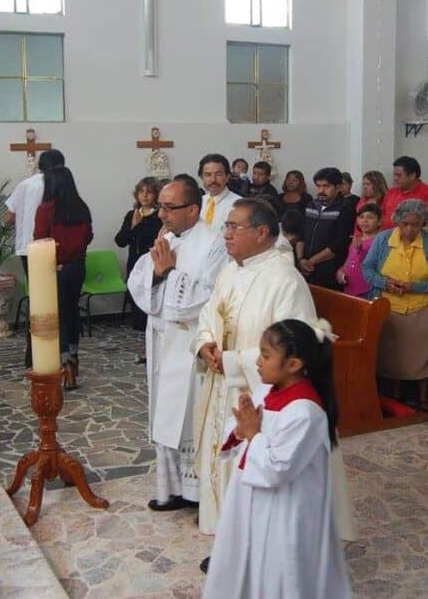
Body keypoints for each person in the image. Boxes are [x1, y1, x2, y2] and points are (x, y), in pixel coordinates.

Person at [193, 199, 326, 536]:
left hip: (256, 393)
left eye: (234, 226)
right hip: (221, 386)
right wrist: (205, 343)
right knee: (222, 465)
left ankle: (245, 544)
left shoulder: (285, 280)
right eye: (226, 226)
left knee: (248, 469)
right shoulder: (230, 269)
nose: (226, 235)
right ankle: (225, 536)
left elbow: (296, 346)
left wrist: (233, 362)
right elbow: (210, 313)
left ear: (263, 232)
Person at [203, 319, 351, 599]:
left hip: (286, 513)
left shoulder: (305, 413)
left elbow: (277, 469)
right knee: (249, 567)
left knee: (279, 576)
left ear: (294, 364)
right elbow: (244, 438)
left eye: (266, 355)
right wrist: (240, 430)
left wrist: (253, 434)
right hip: (252, 503)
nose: (257, 362)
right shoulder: (264, 392)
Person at [127, 178, 229, 512]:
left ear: (193, 210)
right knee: (164, 415)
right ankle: (171, 489)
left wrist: (168, 273)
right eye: (161, 206)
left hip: (190, 344)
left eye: (169, 207)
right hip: (161, 339)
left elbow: (208, 295)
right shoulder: (167, 238)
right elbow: (140, 282)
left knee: (188, 419)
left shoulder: (214, 244)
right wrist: (158, 275)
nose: (161, 213)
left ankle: (197, 494)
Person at [362, 199, 428, 411]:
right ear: (397, 221)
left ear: (423, 224)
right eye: (405, 224)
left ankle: (423, 396)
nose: (410, 229)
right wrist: (385, 283)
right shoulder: (384, 239)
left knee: (423, 355)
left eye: (416, 224)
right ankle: (395, 394)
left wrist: (415, 287)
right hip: (390, 307)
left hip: (424, 308)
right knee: (393, 355)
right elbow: (368, 269)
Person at [33, 166, 93, 390]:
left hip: (55, 268)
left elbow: (39, 239)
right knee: (72, 309)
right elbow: (88, 236)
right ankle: (75, 357)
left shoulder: (47, 209)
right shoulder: (81, 206)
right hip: (78, 266)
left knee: (57, 315)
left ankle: (65, 361)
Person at [5, 148, 66, 368]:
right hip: (55, 248)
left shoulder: (26, 184)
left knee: (38, 302)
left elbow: (9, 217)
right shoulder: (62, 184)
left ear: (40, 164)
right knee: (54, 302)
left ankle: (32, 355)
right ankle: (56, 353)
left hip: (28, 249)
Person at [114, 177, 163, 333]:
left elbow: (153, 239)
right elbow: (120, 240)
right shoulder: (132, 215)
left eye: (149, 192)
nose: (145, 196)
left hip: (152, 262)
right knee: (136, 296)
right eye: (141, 191)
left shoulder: (159, 216)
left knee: (151, 297)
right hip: (134, 262)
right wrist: (134, 225)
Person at [299, 168, 357, 290]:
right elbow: (301, 235)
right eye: (318, 186)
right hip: (306, 268)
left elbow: (339, 244)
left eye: (326, 186)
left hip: (329, 270)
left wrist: (311, 262)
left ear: (338, 187)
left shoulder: (345, 208)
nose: (321, 190)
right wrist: (301, 260)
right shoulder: (311, 205)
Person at [336, 203, 381, 298]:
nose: (365, 220)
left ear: (379, 221)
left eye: (370, 217)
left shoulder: (379, 241)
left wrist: (361, 250)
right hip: (349, 288)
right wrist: (341, 271)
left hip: (367, 290)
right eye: (361, 217)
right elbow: (349, 261)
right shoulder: (356, 239)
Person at [383, 155, 428, 221]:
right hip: (387, 231)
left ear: (412, 176)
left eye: (399, 175)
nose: (395, 178)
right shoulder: (391, 192)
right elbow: (383, 215)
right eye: (394, 175)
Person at [199, 154, 241, 235]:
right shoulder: (198, 202)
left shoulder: (239, 205)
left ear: (227, 177)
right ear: (202, 178)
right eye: (208, 174)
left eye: (218, 174)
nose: (213, 179)